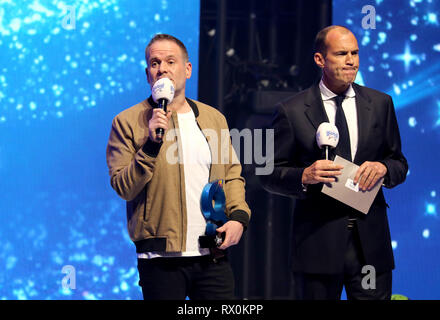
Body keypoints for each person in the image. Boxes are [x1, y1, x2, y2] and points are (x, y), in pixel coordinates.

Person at [261, 25, 408, 300]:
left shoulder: (380, 103)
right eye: (341, 54)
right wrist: (304, 176)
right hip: (318, 244)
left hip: (370, 247)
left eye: (354, 53)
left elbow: (399, 162)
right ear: (320, 60)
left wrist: (384, 168)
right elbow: (268, 172)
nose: (351, 60)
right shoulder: (291, 111)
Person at [106, 34, 251, 300]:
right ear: (148, 74)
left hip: (212, 255)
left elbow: (231, 175)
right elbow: (124, 187)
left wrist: (239, 218)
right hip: (160, 259)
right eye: (154, 62)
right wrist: (150, 144)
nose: (162, 68)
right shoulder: (126, 122)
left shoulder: (213, 118)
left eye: (170, 61)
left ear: (187, 69)